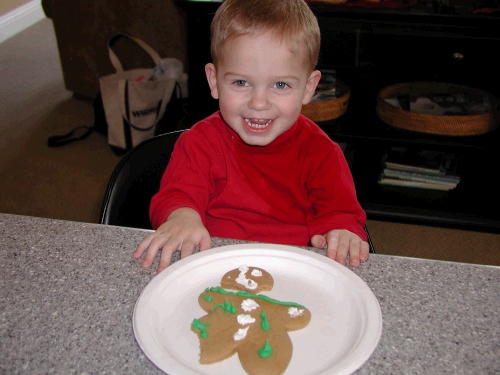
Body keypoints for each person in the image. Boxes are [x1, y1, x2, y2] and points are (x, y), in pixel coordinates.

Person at [133, 0, 369, 273]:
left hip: (292, 270)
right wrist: (182, 217)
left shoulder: (322, 154)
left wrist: (342, 233)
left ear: (308, 88)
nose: (259, 103)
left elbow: (341, 215)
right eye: (241, 83)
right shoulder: (199, 143)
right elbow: (177, 196)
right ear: (214, 81)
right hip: (215, 265)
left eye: (280, 85)